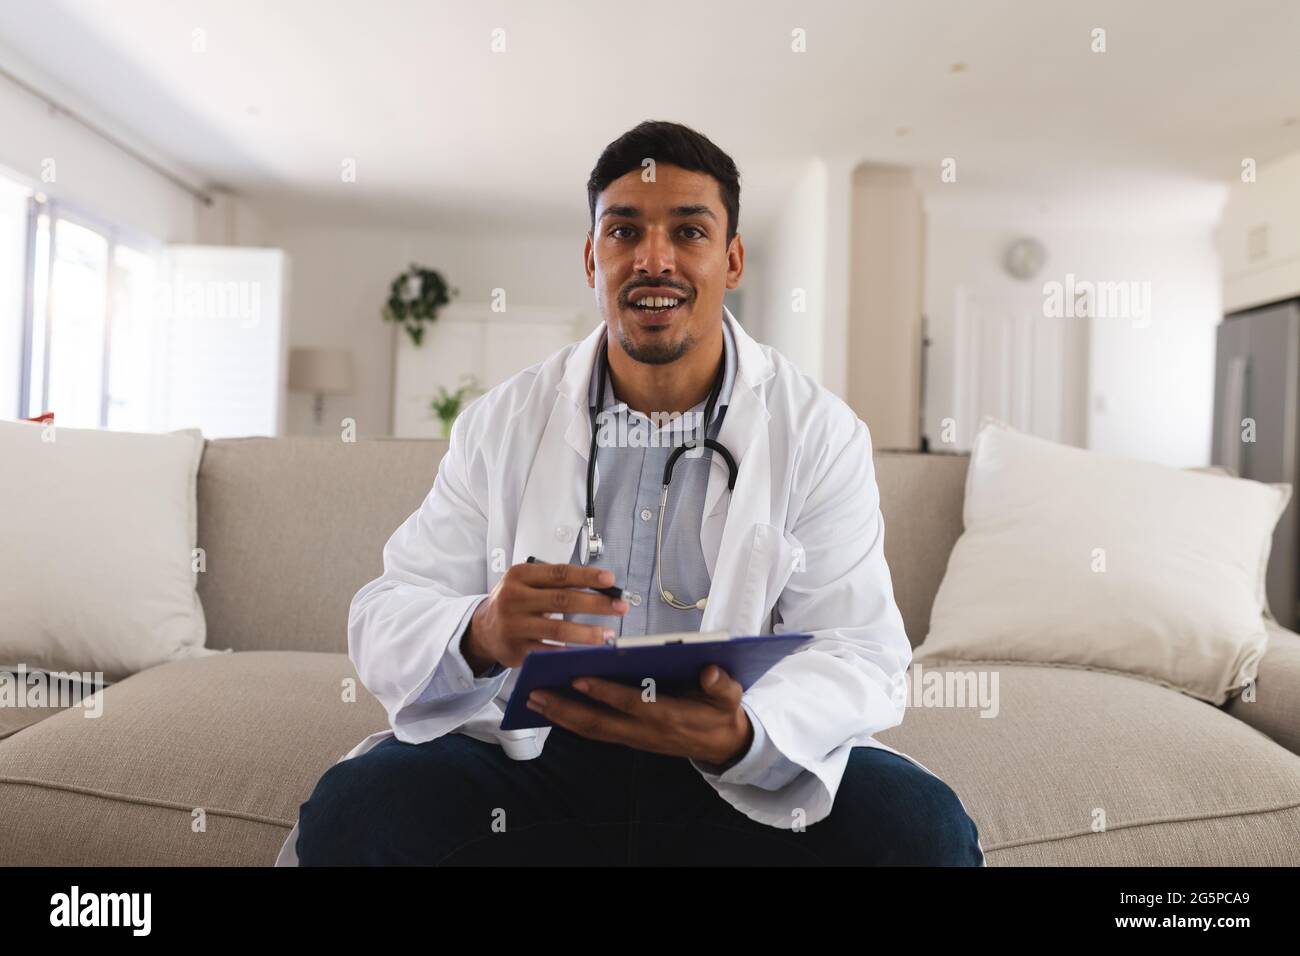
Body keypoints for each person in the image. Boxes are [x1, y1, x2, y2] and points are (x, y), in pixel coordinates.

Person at [278, 120, 984, 866]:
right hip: (535, 764)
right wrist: (481, 629)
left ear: (732, 258)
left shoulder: (817, 430)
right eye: (624, 231)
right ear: (592, 256)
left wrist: (745, 734)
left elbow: (860, 649)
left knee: (921, 832)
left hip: (732, 773)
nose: (654, 258)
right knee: (358, 813)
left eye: (689, 231)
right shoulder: (504, 422)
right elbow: (386, 612)